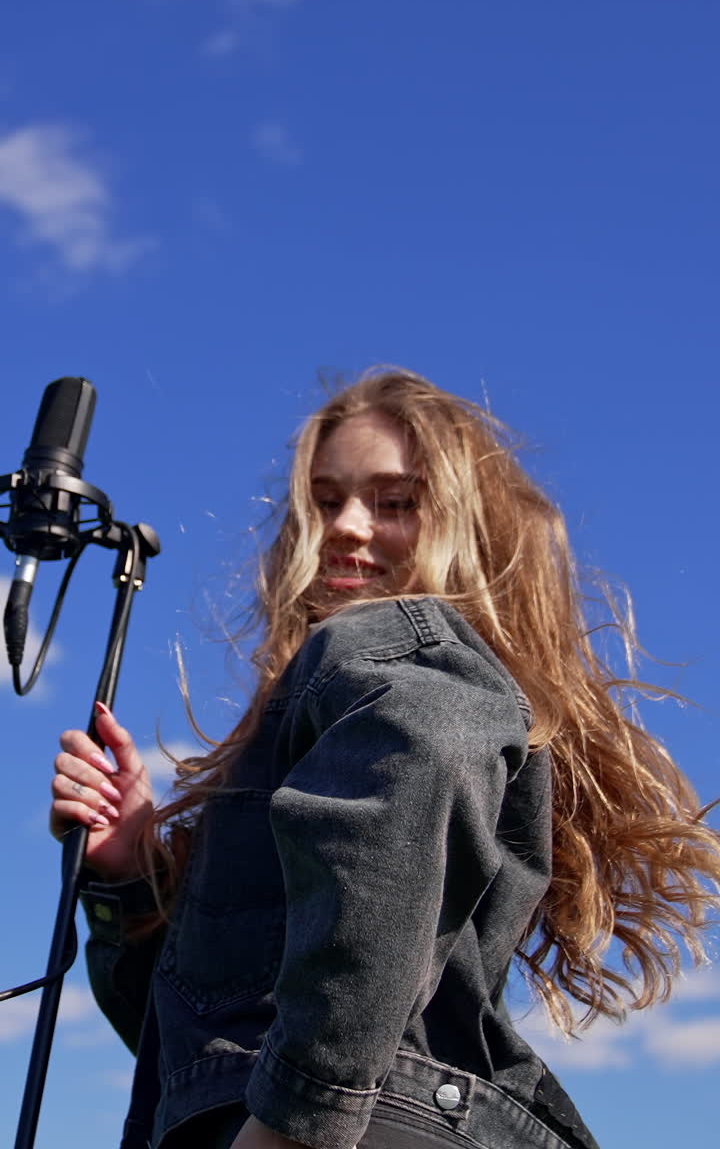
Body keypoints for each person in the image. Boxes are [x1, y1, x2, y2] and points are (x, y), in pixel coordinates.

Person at [50, 369, 719, 1149]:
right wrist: (129, 876)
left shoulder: (391, 645)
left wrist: (295, 1124)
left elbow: (421, 746)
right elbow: (200, 1056)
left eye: (394, 502)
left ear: (469, 530)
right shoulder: (334, 709)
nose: (346, 527)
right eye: (324, 501)